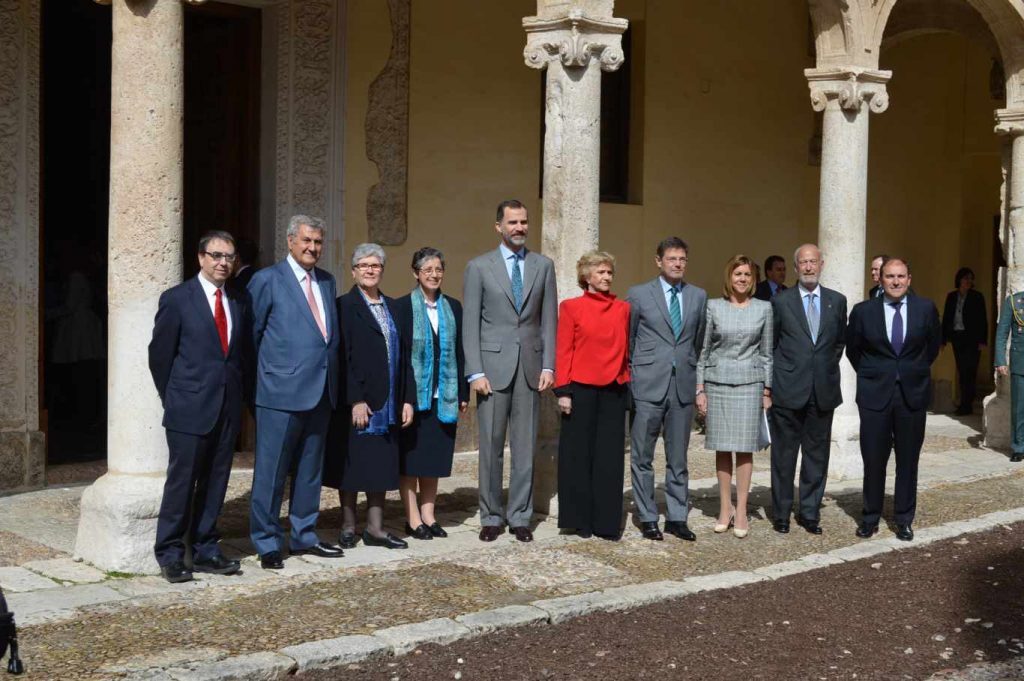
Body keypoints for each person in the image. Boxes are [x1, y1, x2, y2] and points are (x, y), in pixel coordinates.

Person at [148, 231, 251, 583]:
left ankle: (206, 549)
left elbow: (240, 355)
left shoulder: (238, 299)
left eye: (229, 257)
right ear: (200, 258)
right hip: (188, 408)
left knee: (216, 481)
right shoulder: (177, 299)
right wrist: (175, 398)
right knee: (182, 483)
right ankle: (171, 554)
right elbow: (159, 357)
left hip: (226, 407)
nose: (224, 262)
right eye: (216, 255)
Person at [247, 215, 344, 569]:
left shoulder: (328, 282)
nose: (312, 248)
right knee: (272, 473)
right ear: (290, 241)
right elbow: (252, 337)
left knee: (309, 471)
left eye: (318, 242)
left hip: (320, 391)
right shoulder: (266, 280)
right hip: (279, 393)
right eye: (306, 241)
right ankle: (267, 541)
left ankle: (304, 535)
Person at [463, 199, 558, 543]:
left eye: (524, 222)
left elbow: (549, 320)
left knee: (525, 447)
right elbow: (470, 323)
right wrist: (474, 371)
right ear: (498, 226)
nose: (519, 228)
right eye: (513, 222)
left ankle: (520, 515)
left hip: (531, 368)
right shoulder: (479, 267)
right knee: (490, 446)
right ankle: (490, 515)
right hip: (492, 368)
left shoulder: (543, 266)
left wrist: (549, 364)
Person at [324, 243, 416, 549]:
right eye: (363, 265)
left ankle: (375, 528)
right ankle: (349, 525)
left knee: (380, 465)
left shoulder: (394, 307)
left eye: (375, 265)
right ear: (353, 271)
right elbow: (341, 356)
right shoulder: (343, 307)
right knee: (352, 465)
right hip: (359, 402)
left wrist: (407, 398)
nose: (369, 270)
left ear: (382, 270)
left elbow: (405, 357)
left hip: (389, 401)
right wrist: (356, 399)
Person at [846, 257, 940, 541]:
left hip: (912, 393)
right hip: (875, 394)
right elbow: (853, 350)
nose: (896, 282)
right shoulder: (863, 311)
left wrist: (911, 371)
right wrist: (875, 374)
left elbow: (933, 346)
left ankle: (904, 519)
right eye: (890, 276)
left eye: (901, 276)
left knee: (908, 461)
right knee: (873, 459)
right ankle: (870, 518)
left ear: (909, 279)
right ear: (880, 279)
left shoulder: (926, 309)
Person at [626, 237, 707, 541]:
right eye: (671, 258)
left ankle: (676, 516)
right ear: (658, 261)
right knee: (643, 455)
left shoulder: (698, 296)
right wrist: (637, 376)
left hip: (681, 385)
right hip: (648, 384)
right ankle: (647, 516)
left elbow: (697, 341)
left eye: (682, 259)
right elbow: (630, 339)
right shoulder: (638, 294)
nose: (677, 264)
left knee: (678, 457)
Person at [768, 244, 847, 535]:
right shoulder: (781, 301)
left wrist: (821, 369)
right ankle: (782, 513)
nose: (809, 267)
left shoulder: (837, 301)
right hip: (788, 389)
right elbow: (772, 344)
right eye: (803, 262)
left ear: (822, 264)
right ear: (797, 266)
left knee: (817, 456)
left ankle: (810, 512)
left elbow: (838, 343)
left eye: (813, 261)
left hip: (822, 390)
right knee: (784, 456)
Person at [391, 247, 468, 540]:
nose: (434, 275)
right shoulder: (401, 307)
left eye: (438, 269)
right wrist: (405, 398)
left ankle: (429, 515)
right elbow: (401, 358)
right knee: (411, 460)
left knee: (433, 459)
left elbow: (459, 353)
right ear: (415, 274)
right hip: (414, 398)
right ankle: (411, 518)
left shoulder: (454, 307)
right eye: (427, 270)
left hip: (444, 395)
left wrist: (462, 392)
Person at [554, 251, 630, 540]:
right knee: (577, 457)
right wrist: (563, 391)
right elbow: (564, 350)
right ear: (586, 276)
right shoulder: (571, 308)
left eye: (609, 272)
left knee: (609, 459)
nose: (607, 277)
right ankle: (579, 520)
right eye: (600, 272)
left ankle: (606, 523)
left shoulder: (623, 308)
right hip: (580, 390)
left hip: (614, 389)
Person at [696, 255, 773, 539]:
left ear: (753, 280)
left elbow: (767, 353)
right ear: (729, 277)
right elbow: (702, 351)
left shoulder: (764, 309)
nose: (742, 279)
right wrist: (700, 389)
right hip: (717, 382)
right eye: (738, 274)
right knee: (722, 447)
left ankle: (741, 509)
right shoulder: (713, 307)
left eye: (748, 275)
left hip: (750, 384)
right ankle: (724, 507)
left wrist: (767, 389)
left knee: (744, 448)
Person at [942, 267, 987, 415]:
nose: (968, 281)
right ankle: (964, 402)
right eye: (966, 278)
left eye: (970, 278)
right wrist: (943, 339)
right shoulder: (952, 296)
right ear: (959, 279)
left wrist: (982, 341)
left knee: (970, 371)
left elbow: (982, 320)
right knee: (962, 371)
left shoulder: (977, 296)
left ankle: (967, 404)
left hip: (972, 339)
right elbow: (946, 317)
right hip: (957, 338)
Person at [993, 291, 1024, 462]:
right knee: (1019, 407)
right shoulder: (1013, 301)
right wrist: (1000, 360)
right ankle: (1019, 446)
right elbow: (1002, 333)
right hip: (1021, 362)